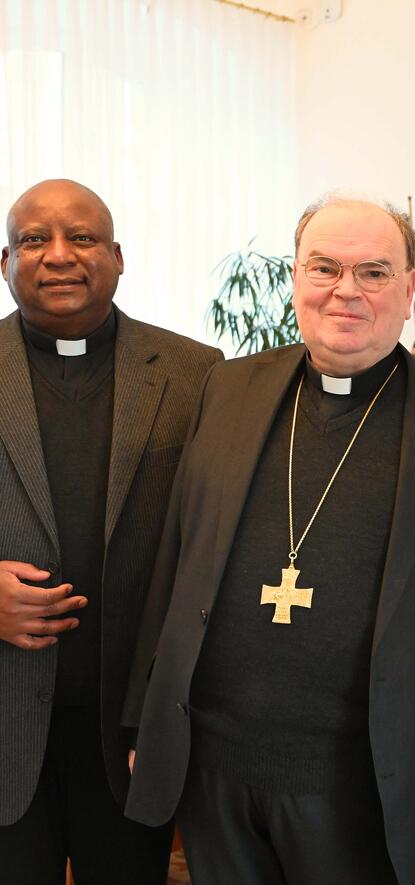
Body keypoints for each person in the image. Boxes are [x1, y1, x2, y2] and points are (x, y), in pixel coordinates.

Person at [122, 193, 415, 885]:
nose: (347, 290)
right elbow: (176, 561)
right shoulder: (225, 390)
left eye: (374, 272)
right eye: (325, 268)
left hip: (368, 784)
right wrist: (145, 721)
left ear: (409, 290)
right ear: (296, 279)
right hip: (217, 773)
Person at [0, 179, 221, 884]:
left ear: (119, 256)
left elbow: (216, 539)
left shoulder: (196, 375)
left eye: (82, 237)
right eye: (34, 239)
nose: (59, 255)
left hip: (131, 731)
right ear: (4, 261)